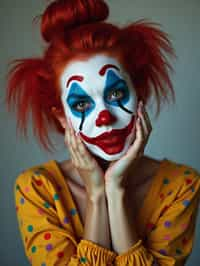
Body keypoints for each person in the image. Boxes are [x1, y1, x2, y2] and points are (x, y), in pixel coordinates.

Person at [6, 0, 200, 265]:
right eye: (82, 104)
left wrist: (115, 189)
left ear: (138, 94)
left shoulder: (181, 185)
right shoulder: (37, 189)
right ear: (62, 117)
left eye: (116, 93)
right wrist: (97, 194)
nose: (105, 118)